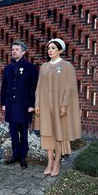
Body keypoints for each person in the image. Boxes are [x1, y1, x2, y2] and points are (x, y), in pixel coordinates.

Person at [35, 38, 81, 176]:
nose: (50, 50)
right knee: (47, 134)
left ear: (60, 50)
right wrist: (37, 103)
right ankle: (49, 161)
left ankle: (57, 163)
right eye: (49, 48)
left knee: (59, 134)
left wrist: (64, 104)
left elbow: (70, 88)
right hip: (45, 106)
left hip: (59, 106)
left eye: (53, 48)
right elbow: (39, 87)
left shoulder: (67, 66)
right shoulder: (44, 67)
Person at [1, 41, 39, 168]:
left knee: (23, 132)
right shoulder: (8, 68)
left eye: (17, 49)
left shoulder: (31, 68)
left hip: (24, 106)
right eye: (13, 49)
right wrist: (3, 103)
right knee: (12, 132)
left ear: (23, 52)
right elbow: (4, 87)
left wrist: (32, 104)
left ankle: (23, 156)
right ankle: (15, 155)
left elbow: (33, 88)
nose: (14, 51)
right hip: (11, 105)